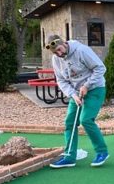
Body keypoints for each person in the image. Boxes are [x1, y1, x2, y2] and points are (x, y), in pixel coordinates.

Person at [46, 35, 109, 169]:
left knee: (86, 119)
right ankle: (69, 157)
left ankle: (102, 152)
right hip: (76, 93)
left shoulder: (81, 50)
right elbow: (61, 80)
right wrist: (73, 95)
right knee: (70, 122)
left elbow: (100, 68)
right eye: (55, 52)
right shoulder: (56, 59)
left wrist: (87, 85)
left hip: (95, 89)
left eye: (59, 49)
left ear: (64, 43)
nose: (59, 54)